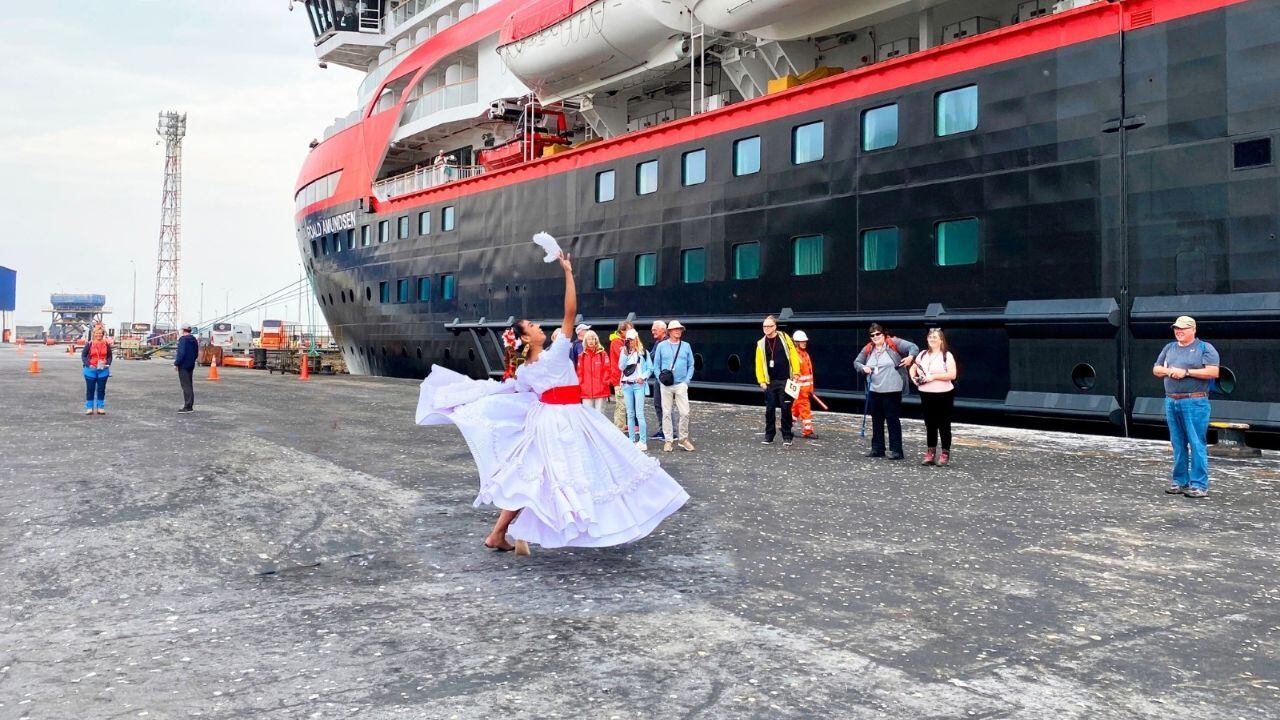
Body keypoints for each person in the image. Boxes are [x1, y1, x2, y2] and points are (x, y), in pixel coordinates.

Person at [414, 249, 688, 552]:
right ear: (526, 338)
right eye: (532, 326)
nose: (538, 327)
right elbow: (570, 312)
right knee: (605, 462)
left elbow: (516, 391)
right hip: (567, 420)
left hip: (545, 421)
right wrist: (568, 272)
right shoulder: (555, 355)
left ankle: (499, 534)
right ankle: (598, 521)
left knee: (536, 478)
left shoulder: (524, 369)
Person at [1153, 316, 1220, 498]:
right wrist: (1170, 371)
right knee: (1177, 443)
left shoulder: (1205, 348)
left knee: (1196, 442)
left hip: (1195, 401)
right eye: (1176, 328)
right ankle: (1180, 481)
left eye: (1183, 328)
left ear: (1193, 329)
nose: (1178, 331)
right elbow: (1156, 369)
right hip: (1171, 400)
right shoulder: (1169, 348)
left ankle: (1199, 485)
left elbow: (1213, 371)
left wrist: (1186, 372)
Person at [853, 323, 919, 460]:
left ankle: (897, 450)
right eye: (872, 335)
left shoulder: (894, 343)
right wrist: (863, 368)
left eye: (878, 334)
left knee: (892, 419)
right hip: (874, 390)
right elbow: (857, 362)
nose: (875, 337)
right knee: (876, 420)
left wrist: (910, 357)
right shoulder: (869, 348)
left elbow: (913, 347)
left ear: (884, 334)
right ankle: (877, 449)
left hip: (892, 389)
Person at [911, 328, 958, 466]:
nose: (932, 339)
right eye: (930, 337)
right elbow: (913, 367)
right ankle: (930, 453)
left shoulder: (947, 355)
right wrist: (914, 378)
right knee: (930, 423)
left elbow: (952, 375)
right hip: (925, 393)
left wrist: (934, 377)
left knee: (944, 424)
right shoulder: (922, 354)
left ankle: (945, 453)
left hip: (944, 394)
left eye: (935, 337)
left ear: (941, 340)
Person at [754, 316, 801, 446]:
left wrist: (796, 372)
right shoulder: (761, 343)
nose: (766, 328)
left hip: (785, 380)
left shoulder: (784, 338)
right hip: (770, 382)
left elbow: (793, 355)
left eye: (768, 326)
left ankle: (787, 436)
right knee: (769, 409)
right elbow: (758, 363)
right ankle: (769, 435)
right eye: (764, 326)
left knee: (786, 408)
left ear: (775, 327)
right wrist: (761, 381)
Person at [652, 320, 695, 452]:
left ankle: (683, 438)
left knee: (685, 412)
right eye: (675, 329)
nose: (678, 331)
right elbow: (656, 365)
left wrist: (687, 381)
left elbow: (691, 364)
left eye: (680, 329)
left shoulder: (686, 346)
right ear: (669, 332)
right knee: (666, 413)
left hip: (681, 384)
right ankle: (668, 440)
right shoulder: (661, 346)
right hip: (666, 384)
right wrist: (660, 379)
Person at [617, 329, 652, 451]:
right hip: (627, 384)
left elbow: (650, 368)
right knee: (630, 413)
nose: (630, 342)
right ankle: (631, 439)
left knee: (639, 413)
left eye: (631, 339)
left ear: (636, 339)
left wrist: (643, 377)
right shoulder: (624, 352)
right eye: (628, 340)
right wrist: (625, 354)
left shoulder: (643, 352)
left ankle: (643, 441)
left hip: (638, 385)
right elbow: (621, 367)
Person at [649, 320, 675, 440]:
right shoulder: (658, 342)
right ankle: (662, 430)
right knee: (658, 404)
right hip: (658, 377)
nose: (652, 331)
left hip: (665, 378)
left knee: (667, 405)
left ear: (663, 330)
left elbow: (656, 357)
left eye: (655, 329)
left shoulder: (667, 343)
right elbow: (652, 357)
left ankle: (672, 431)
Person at [790, 330, 818, 438]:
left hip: (805, 389)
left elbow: (809, 374)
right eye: (802, 341)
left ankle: (786, 426)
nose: (804, 343)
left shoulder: (805, 354)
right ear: (796, 342)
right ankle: (808, 431)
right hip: (800, 390)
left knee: (795, 409)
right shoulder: (795, 356)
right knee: (805, 410)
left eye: (805, 341)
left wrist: (810, 388)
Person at [80, 326, 113, 415]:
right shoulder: (89, 344)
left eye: (100, 333)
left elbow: (109, 356)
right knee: (90, 389)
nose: (99, 335)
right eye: (97, 333)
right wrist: (88, 364)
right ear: (94, 334)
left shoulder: (106, 344)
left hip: (103, 369)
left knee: (101, 389)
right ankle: (89, 407)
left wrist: (108, 363)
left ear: (103, 334)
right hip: (90, 370)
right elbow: (83, 356)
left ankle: (100, 407)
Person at [575, 330, 610, 412]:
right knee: (588, 415)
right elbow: (579, 374)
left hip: (601, 391)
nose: (591, 341)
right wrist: (581, 387)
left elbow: (607, 370)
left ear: (596, 340)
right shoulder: (581, 356)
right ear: (585, 341)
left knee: (600, 414)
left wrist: (604, 384)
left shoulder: (602, 354)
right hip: (586, 391)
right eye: (588, 339)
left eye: (593, 339)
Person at [608, 320, 633, 432]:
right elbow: (624, 358)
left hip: (626, 378)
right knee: (621, 405)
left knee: (626, 405)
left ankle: (623, 425)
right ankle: (619, 428)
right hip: (619, 379)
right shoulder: (616, 342)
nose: (632, 331)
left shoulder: (624, 341)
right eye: (629, 329)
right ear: (622, 331)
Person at [174, 324, 198, 413]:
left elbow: (181, 353)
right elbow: (196, 353)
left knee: (185, 386)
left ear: (183, 330)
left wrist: (176, 363)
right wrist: (192, 361)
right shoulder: (194, 339)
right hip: (191, 365)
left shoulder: (183, 339)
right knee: (189, 385)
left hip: (183, 365)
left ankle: (187, 406)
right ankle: (190, 405)